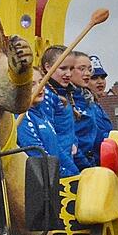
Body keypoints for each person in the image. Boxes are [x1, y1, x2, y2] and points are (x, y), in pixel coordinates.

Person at [17, 67, 78, 177]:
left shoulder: (41, 114)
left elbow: (57, 150)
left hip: (57, 179)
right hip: (44, 185)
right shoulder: (22, 118)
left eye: (41, 82)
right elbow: (39, 156)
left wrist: (76, 174)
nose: (40, 88)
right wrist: (67, 176)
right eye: (32, 84)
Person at [40, 45, 80, 177]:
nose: (68, 74)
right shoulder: (46, 97)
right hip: (59, 165)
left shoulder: (66, 93)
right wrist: (72, 171)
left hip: (68, 158)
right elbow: (50, 138)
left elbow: (68, 130)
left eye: (71, 69)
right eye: (63, 68)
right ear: (47, 67)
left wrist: (74, 142)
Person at [69, 51, 97, 170]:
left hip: (92, 161)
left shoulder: (87, 99)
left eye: (90, 69)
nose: (87, 74)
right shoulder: (67, 100)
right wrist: (85, 165)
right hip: (78, 164)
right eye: (82, 69)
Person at [89, 55, 113, 163]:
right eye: (94, 78)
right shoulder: (86, 106)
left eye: (102, 77)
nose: (100, 82)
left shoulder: (98, 106)